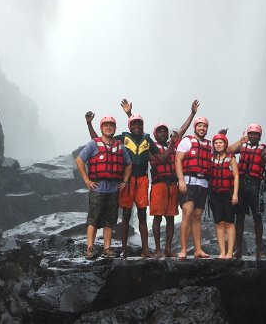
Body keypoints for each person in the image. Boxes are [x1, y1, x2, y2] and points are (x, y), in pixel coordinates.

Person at [85, 101, 172, 258]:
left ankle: (145, 250)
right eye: (134, 124)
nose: (137, 126)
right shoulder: (123, 137)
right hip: (126, 180)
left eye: (139, 124)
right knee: (125, 214)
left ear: (143, 125)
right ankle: (124, 250)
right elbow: (99, 140)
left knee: (142, 214)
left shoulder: (147, 139)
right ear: (130, 125)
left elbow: (162, 158)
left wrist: (172, 144)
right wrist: (89, 124)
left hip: (143, 180)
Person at [76, 116, 132, 259]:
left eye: (111, 126)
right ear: (101, 128)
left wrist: (125, 181)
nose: (108, 128)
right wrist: (86, 180)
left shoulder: (120, 145)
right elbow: (80, 160)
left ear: (115, 128)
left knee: (110, 220)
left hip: (113, 189)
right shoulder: (93, 144)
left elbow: (128, 164)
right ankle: (90, 248)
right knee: (93, 219)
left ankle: (106, 248)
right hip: (98, 188)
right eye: (106, 125)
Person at [148, 100, 199, 258]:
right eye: (160, 131)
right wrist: (129, 114)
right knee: (157, 217)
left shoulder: (173, 144)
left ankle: (168, 248)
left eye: (165, 131)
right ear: (155, 134)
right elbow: (159, 159)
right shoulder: (151, 146)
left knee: (170, 218)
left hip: (173, 185)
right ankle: (157, 249)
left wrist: (192, 114)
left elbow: (182, 130)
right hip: (158, 185)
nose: (163, 133)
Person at [229, 123, 266, 259]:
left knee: (257, 217)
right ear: (247, 134)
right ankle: (239, 250)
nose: (252, 136)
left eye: (255, 134)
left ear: (259, 136)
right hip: (241, 186)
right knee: (239, 217)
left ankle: (258, 251)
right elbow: (228, 151)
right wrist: (239, 141)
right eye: (250, 134)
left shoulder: (264, 150)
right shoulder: (243, 146)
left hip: (255, 186)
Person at [175, 116, 212, 260]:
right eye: (200, 126)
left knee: (197, 217)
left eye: (205, 126)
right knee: (188, 213)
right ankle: (183, 249)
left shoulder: (209, 145)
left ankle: (198, 249)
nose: (202, 129)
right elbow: (178, 160)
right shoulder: (187, 141)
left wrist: (240, 142)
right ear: (195, 127)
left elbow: (227, 150)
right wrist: (181, 180)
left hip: (202, 184)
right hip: (188, 182)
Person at [209, 134, 239, 259]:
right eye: (216, 143)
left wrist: (235, 194)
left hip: (228, 193)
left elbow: (236, 176)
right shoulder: (210, 158)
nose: (218, 145)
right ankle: (222, 252)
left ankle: (230, 252)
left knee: (229, 223)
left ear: (225, 144)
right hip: (215, 194)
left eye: (221, 142)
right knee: (219, 223)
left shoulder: (230, 158)